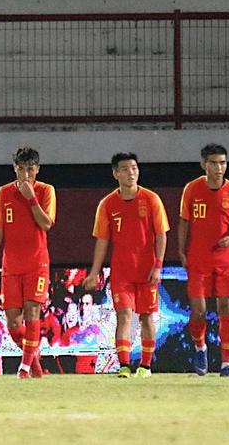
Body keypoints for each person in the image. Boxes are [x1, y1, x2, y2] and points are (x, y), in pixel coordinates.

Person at [82, 152, 168, 378]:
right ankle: (123, 365)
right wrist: (94, 272)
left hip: (147, 270)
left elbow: (161, 235)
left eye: (134, 168)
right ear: (115, 174)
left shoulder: (151, 200)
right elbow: (102, 240)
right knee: (124, 316)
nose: (131, 172)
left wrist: (158, 266)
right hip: (121, 272)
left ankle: (146, 366)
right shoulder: (108, 204)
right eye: (125, 169)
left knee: (147, 316)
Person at [0, 146, 56, 378]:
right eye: (22, 169)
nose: (26, 174)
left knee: (32, 312)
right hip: (11, 264)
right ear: (15, 168)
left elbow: (46, 224)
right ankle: (34, 365)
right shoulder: (3, 193)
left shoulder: (46, 191)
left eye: (30, 169)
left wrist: (31, 198)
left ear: (37, 169)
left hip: (37, 263)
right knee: (13, 324)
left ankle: (24, 368)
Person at [178, 143, 229, 377]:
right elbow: (184, 222)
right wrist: (181, 251)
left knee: (226, 307)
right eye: (214, 163)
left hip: (225, 260)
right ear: (203, 165)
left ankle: (226, 364)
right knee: (198, 310)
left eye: (223, 163)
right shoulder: (192, 189)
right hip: (198, 258)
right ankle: (200, 347)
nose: (219, 168)